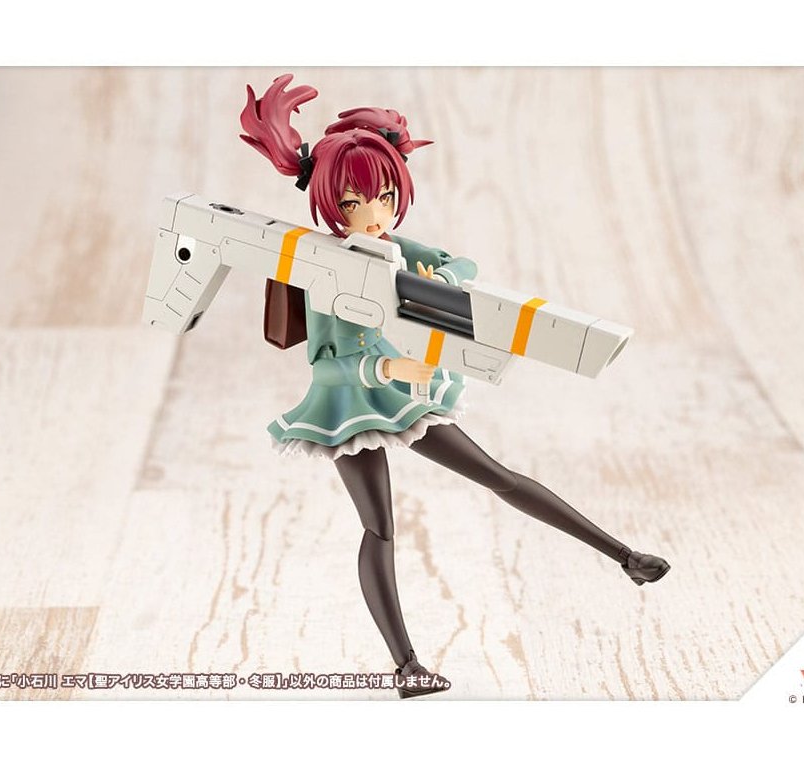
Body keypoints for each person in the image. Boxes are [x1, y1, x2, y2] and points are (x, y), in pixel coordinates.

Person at [240, 74, 670, 698]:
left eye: (385, 198)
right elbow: (326, 362)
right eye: (355, 203)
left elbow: (455, 264)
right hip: (348, 405)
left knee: (497, 475)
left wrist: (435, 276)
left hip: (405, 396)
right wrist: (384, 370)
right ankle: (407, 667)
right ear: (333, 204)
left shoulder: (391, 245)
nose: (374, 216)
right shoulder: (324, 266)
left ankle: (624, 556)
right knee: (380, 527)